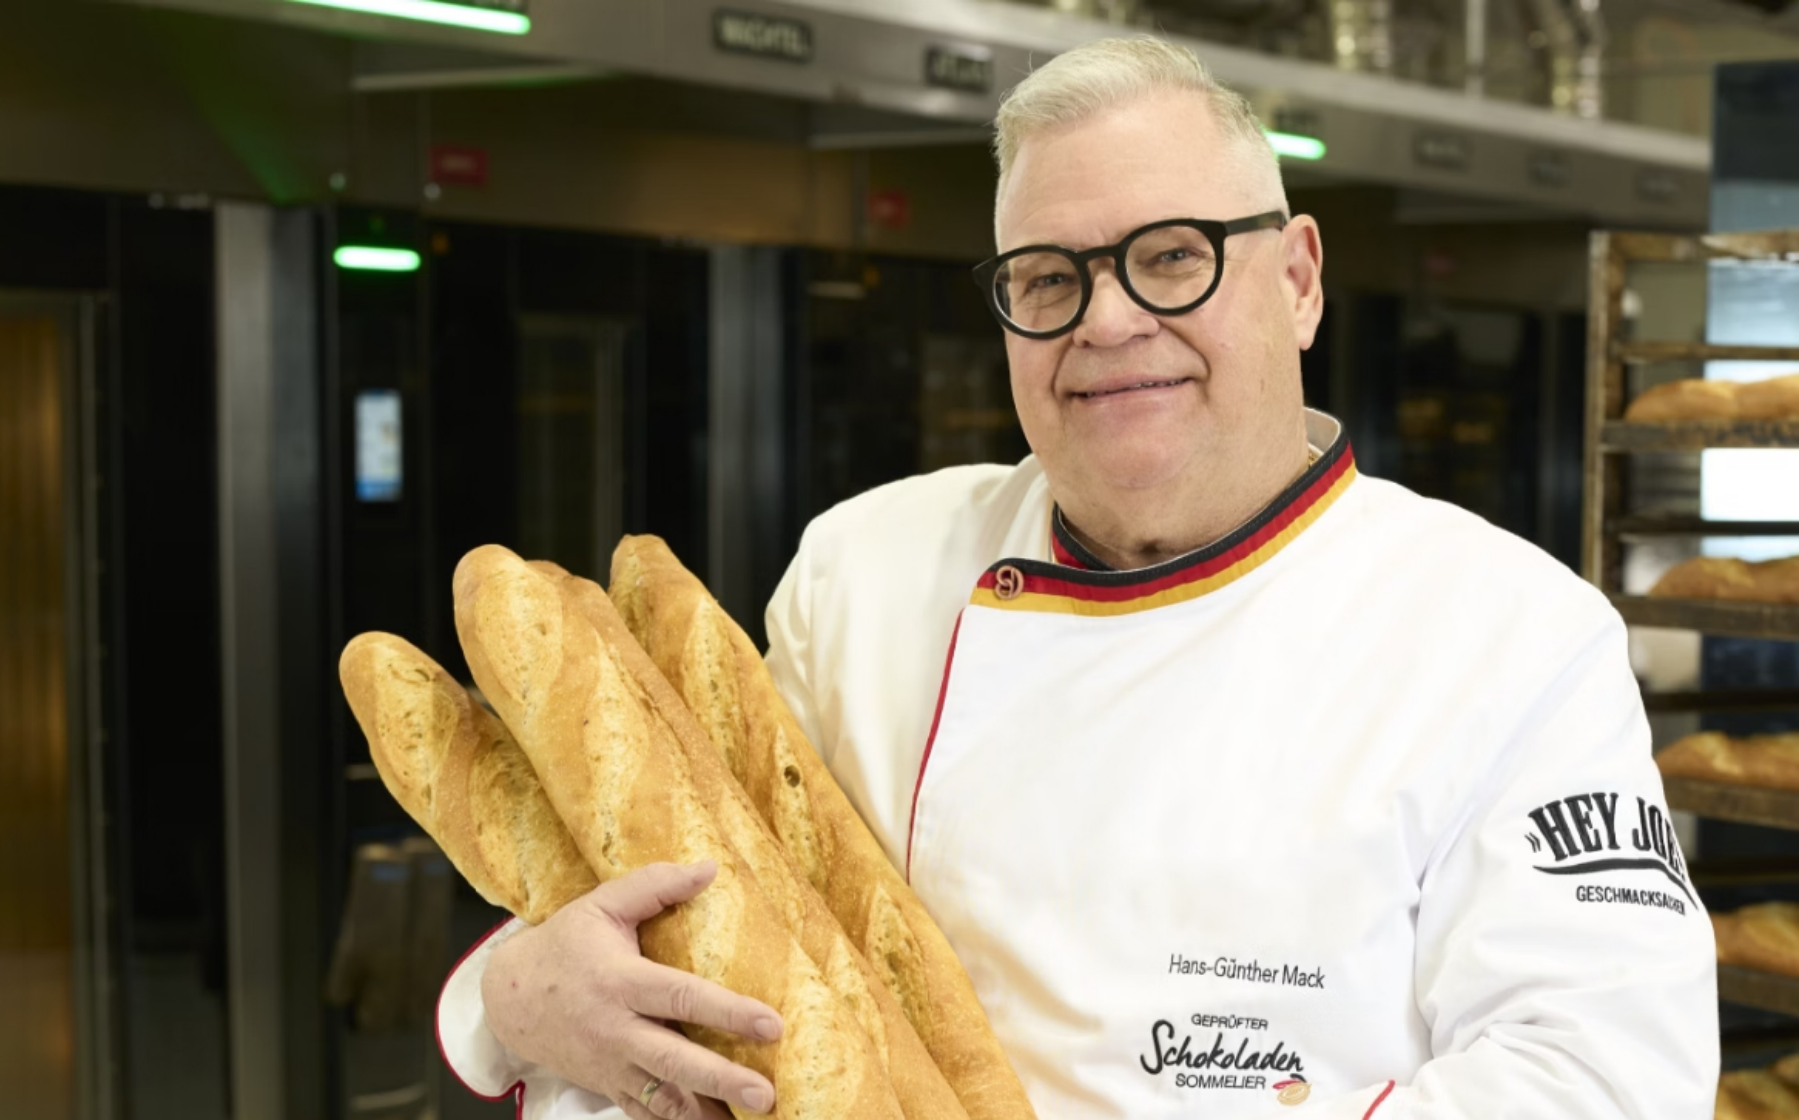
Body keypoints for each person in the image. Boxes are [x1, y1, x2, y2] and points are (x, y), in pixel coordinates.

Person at [436, 36, 1719, 1120]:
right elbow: (697, 900)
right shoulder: (866, 574)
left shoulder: (1512, 634)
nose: (1106, 321)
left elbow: (1604, 1075)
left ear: (1298, 280)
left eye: (1172, 256)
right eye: (1048, 279)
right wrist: (511, 1000)